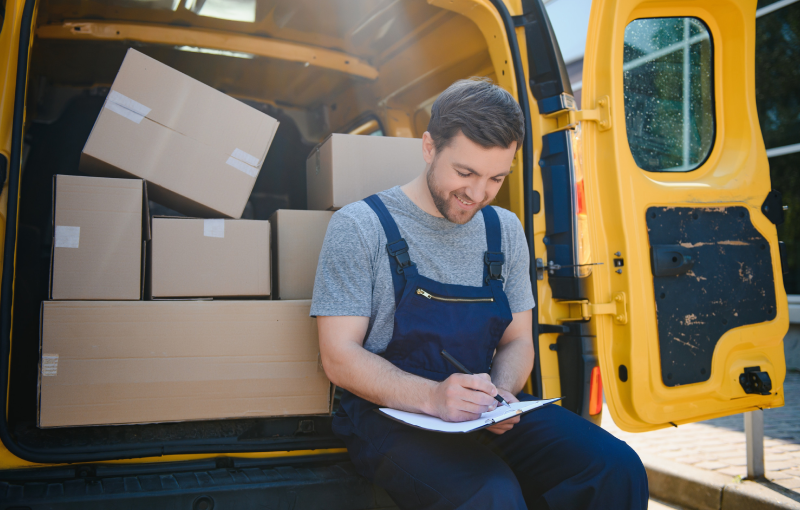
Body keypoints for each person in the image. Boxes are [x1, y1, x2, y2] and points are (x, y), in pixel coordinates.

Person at [311, 78, 648, 510]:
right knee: (490, 493)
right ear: (429, 147)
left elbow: (518, 340)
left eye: (496, 178)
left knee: (614, 467)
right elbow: (338, 355)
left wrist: (499, 399)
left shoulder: (504, 229)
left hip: (479, 409)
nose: (477, 194)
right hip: (389, 417)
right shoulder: (360, 226)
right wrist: (434, 398)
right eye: (465, 173)